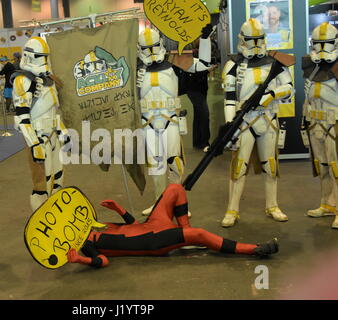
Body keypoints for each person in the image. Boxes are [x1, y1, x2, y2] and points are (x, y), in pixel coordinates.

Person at [67, 183, 279, 268]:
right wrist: (79, 259)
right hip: (152, 242)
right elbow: (102, 261)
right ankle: (254, 249)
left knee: (175, 189)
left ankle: (184, 236)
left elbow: (130, 226)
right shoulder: (84, 243)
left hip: (149, 225)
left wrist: (119, 209)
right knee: (199, 234)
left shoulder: (95, 225)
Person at [221, 19, 295, 227]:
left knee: (270, 166)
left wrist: (271, 94)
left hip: (268, 118)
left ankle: (272, 205)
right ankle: (232, 209)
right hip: (243, 122)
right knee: (238, 167)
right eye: (251, 40)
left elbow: (289, 88)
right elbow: (229, 98)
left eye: (258, 40)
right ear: (242, 40)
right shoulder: (233, 65)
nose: (255, 44)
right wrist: (229, 127)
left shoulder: (275, 62)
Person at [138, 25, 213, 215]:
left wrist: (204, 41)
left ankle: (178, 206)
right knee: (155, 167)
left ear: (161, 45)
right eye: (147, 48)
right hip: (147, 124)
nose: (152, 52)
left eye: (155, 46)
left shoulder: (175, 62)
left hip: (169, 121)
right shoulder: (136, 71)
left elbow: (203, 65)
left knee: (175, 164)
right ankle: (159, 206)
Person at [11, 37, 71, 211]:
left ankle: (57, 215)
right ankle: (41, 216)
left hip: (53, 134)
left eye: (46, 57)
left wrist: (63, 131)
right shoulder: (22, 80)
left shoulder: (49, 79)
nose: (44, 61)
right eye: (40, 57)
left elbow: (53, 110)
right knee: (42, 181)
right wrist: (34, 143)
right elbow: (22, 118)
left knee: (58, 178)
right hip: (38, 136)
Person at [302, 22, 338, 229]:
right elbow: (308, 99)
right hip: (315, 122)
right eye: (318, 43)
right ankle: (327, 203)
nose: (322, 48)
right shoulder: (311, 67)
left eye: (327, 43)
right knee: (322, 166)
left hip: (333, 124)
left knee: (336, 168)